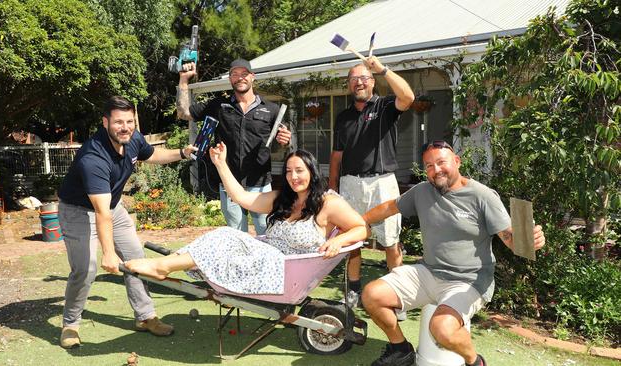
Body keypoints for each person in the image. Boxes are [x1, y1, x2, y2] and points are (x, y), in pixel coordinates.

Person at [360, 140, 546, 366]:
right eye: (429, 166)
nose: (436, 169)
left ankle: (474, 361)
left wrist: (530, 240)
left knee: (441, 328)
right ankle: (401, 349)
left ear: (457, 161)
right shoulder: (422, 192)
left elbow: (509, 237)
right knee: (372, 294)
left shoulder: (482, 196)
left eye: (441, 162)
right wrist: (361, 222)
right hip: (428, 272)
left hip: (469, 281)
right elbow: (391, 206)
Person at [125, 143, 368, 293]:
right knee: (226, 235)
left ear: (312, 172)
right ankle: (169, 263)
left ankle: (163, 266)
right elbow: (241, 197)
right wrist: (221, 164)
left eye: (299, 171)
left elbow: (361, 228)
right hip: (266, 260)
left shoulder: (328, 203)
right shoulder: (282, 198)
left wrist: (338, 241)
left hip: (287, 269)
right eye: (288, 171)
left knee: (227, 236)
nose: (293, 177)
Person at [57, 96, 200, 349]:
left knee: (137, 259)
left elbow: (152, 153)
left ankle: (145, 317)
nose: (125, 127)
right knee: (85, 270)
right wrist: (110, 253)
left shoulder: (132, 138)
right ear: (105, 122)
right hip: (79, 212)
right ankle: (70, 324)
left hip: (113, 206)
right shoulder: (94, 158)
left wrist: (181, 153)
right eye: (118, 122)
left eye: (129, 121)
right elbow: (100, 213)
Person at [328, 56, 415, 307]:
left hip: (382, 184)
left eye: (364, 78)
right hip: (350, 185)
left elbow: (408, 98)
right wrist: (332, 189)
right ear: (348, 85)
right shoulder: (343, 117)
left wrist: (384, 69)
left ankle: (395, 295)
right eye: (354, 79)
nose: (359, 83)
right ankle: (353, 291)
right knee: (352, 241)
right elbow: (336, 156)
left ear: (373, 83)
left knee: (390, 241)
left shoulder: (386, 107)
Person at [176, 58, 291, 235]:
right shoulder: (218, 106)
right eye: (235, 74)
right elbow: (183, 113)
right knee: (237, 235)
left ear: (252, 77)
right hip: (229, 182)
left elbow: (286, 144)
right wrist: (184, 80)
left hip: (260, 185)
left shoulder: (272, 109)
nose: (240, 78)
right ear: (230, 79)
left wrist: (286, 141)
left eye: (244, 74)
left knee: (267, 233)